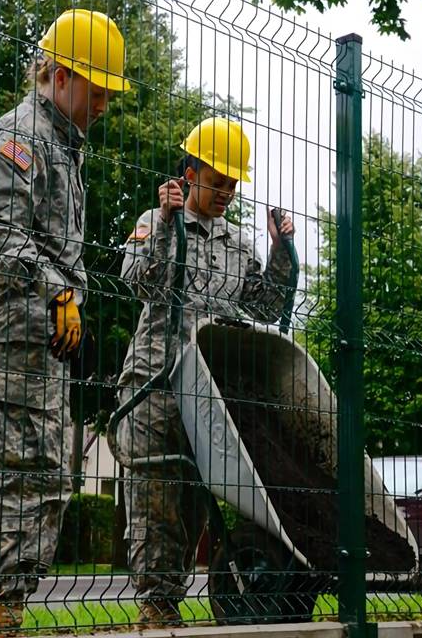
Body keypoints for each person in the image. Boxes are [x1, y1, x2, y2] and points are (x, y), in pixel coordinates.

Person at [0, 9, 130, 635]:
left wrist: (64, 297)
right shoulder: (19, 140)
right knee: (18, 483)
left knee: (53, 480)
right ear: (59, 76)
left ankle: (9, 613)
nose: (107, 100)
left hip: (40, 347)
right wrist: (59, 290)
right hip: (3, 342)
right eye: (99, 87)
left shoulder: (63, 146)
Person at [113, 117, 297, 627]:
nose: (227, 193)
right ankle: (156, 608)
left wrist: (282, 255)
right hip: (156, 382)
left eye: (234, 184)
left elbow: (263, 307)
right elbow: (138, 282)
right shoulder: (156, 219)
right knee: (155, 501)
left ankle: (171, 602)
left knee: (195, 499)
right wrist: (167, 229)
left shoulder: (238, 245)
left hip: (210, 389)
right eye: (219, 181)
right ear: (191, 172)